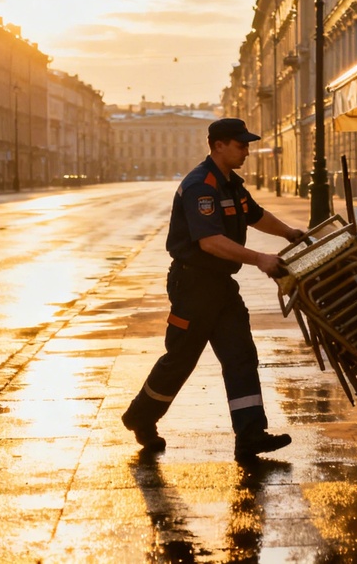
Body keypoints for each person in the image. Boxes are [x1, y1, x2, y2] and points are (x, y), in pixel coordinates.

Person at [122, 118, 306, 462]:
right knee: (180, 360)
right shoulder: (201, 186)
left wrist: (289, 233)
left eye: (247, 145)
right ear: (218, 146)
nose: (246, 151)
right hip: (193, 287)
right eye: (240, 145)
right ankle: (140, 417)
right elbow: (209, 242)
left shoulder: (230, 184)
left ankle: (250, 436)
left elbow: (254, 214)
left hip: (220, 286)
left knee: (241, 355)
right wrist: (260, 259)